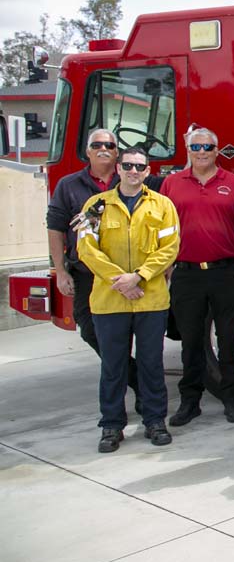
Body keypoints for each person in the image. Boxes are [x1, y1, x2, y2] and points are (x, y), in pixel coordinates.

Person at [77, 147, 180, 452]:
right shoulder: (95, 206)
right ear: (118, 169)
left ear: (149, 171)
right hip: (110, 302)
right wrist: (120, 281)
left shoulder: (162, 205)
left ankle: (155, 421)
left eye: (140, 166)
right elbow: (86, 248)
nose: (134, 171)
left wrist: (139, 277)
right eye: (129, 166)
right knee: (113, 366)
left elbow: (170, 248)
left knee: (151, 364)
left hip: (151, 300)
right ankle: (111, 425)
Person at [161, 127, 234, 426]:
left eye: (207, 146)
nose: (201, 151)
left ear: (217, 150)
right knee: (191, 341)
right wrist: (166, 271)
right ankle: (190, 401)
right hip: (186, 274)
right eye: (196, 146)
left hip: (225, 272)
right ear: (188, 150)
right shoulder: (171, 184)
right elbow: (161, 231)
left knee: (229, 339)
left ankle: (230, 398)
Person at [46, 128, 140, 410]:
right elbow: (55, 228)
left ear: (116, 153)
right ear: (87, 151)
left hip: (129, 276)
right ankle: (137, 381)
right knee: (90, 331)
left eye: (110, 145)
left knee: (131, 335)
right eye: (97, 145)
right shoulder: (68, 185)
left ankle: (138, 394)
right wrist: (60, 271)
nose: (104, 149)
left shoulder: (130, 180)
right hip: (88, 275)